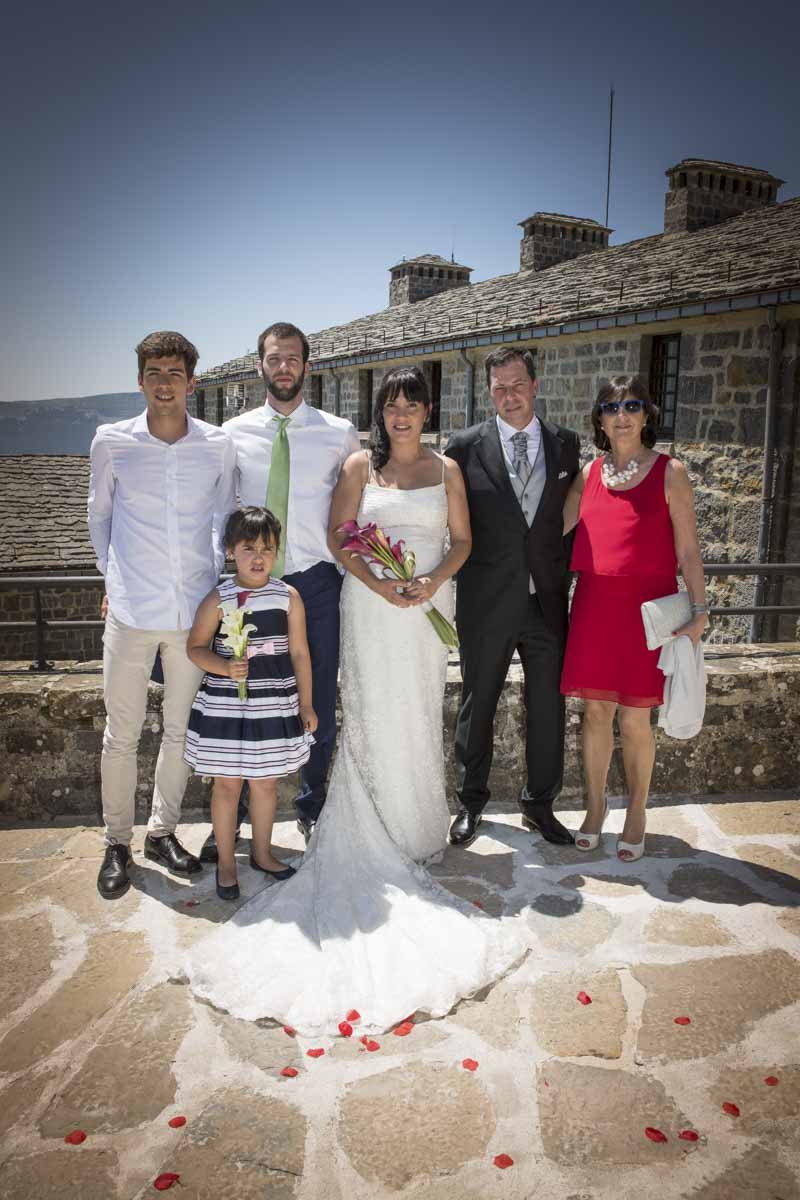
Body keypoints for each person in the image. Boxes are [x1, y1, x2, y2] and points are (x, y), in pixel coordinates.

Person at [182, 367, 526, 1034]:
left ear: (427, 410)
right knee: (369, 713)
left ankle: (415, 827)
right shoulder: (359, 467)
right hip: (370, 607)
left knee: (417, 714)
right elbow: (341, 536)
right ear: (381, 412)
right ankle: (368, 824)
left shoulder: (447, 469)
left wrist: (430, 581)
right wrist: (380, 584)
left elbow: (463, 541)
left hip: (425, 607)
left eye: (412, 405)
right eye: (392, 405)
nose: (402, 415)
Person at [198, 322, 360, 860]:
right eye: (274, 358)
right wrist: (218, 580)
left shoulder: (339, 433)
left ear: (306, 367)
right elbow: (219, 511)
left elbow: (353, 514)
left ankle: (312, 808)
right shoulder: (232, 433)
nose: (284, 367)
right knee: (241, 697)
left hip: (316, 582)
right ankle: (235, 816)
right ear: (260, 366)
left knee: (320, 700)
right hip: (249, 586)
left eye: (292, 358)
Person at [88, 331, 236, 899]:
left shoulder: (216, 445)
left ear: (192, 382)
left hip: (191, 614)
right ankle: (116, 842)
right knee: (120, 734)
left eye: (175, 373)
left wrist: (214, 584)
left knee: (180, 731)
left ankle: (161, 832)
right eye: (155, 373)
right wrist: (113, 580)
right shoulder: (111, 441)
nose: (165, 384)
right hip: (131, 611)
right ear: (140, 380)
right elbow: (99, 517)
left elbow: (223, 517)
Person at [561, 375, 707, 861]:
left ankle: (638, 812)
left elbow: (688, 550)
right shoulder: (588, 474)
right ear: (599, 420)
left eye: (631, 406)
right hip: (595, 607)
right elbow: (548, 533)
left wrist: (700, 610)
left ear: (647, 415)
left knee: (636, 718)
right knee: (596, 713)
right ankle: (596, 807)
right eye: (611, 407)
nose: (621, 415)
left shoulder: (671, 472)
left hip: (646, 614)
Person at [445, 348, 580, 849]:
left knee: (548, 706)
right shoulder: (463, 448)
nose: (510, 395)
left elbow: (569, 518)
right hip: (486, 600)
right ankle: (470, 802)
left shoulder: (566, 444)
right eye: (499, 387)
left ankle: (540, 803)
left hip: (547, 601)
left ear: (535, 385)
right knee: (477, 702)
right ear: (489, 392)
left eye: (518, 384)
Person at [184, 507, 317, 900]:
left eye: (267, 549)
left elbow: (300, 653)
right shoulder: (220, 598)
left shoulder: (288, 597)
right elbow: (196, 648)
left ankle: (261, 853)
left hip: (273, 704)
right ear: (231, 551)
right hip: (227, 707)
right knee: (227, 785)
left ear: (276, 552)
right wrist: (226, 667)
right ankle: (227, 863)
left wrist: (306, 704)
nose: (258, 557)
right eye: (248, 548)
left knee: (266, 783)